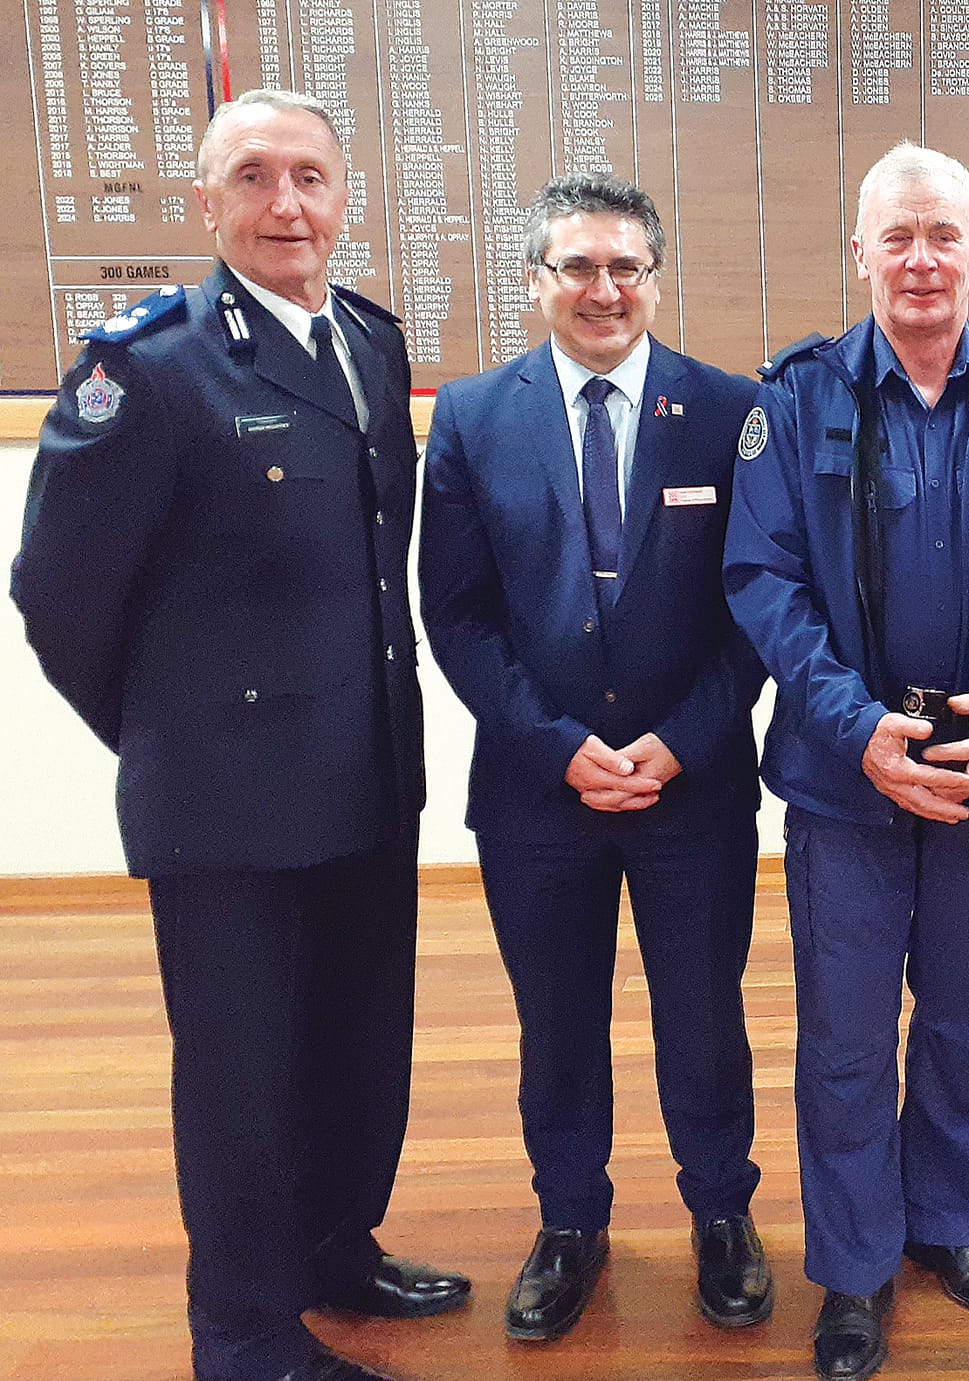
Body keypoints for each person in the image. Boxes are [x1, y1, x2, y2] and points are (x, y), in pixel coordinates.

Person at [11, 89, 464, 1381]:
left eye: (309, 177)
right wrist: (167, 729)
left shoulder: (368, 342)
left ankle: (331, 1244)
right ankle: (249, 1333)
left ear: (344, 194)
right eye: (253, 178)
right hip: (228, 799)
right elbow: (58, 593)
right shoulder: (147, 368)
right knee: (241, 1072)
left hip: (368, 769)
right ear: (207, 202)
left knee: (356, 1039)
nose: (285, 205)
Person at [724, 140, 969, 1381]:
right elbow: (762, 578)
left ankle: (946, 1223)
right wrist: (855, 725)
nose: (918, 258)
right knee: (845, 1035)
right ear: (859, 256)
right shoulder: (794, 397)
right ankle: (851, 1268)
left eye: (941, 234)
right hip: (846, 777)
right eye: (894, 236)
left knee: (960, 1016)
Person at [419, 172, 770, 1342]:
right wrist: (562, 748)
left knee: (701, 1014)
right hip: (538, 791)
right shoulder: (471, 418)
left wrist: (675, 744)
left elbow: (757, 606)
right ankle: (568, 1220)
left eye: (626, 267)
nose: (603, 288)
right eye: (578, 266)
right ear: (536, 282)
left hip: (693, 786)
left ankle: (721, 1212)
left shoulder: (731, 411)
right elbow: (457, 615)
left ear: (654, 280)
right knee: (556, 1018)